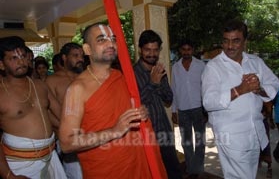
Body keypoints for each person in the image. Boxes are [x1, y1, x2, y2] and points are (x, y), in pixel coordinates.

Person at [58, 23, 161, 178]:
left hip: (133, 161)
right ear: (87, 49)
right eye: (101, 40)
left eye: (113, 39)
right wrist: (114, 131)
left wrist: (141, 112)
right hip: (105, 169)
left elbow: (126, 111)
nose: (110, 43)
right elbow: (66, 143)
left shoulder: (120, 76)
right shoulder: (77, 89)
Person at [201, 19, 279, 179]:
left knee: (249, 175)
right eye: (226, 41)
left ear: (245, 41)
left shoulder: (255, 62)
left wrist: (259, 89)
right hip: (231, 136)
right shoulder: (213, 67)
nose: (230, 46)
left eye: (235, 41)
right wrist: (240, 89)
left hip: (255, 132)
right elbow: (208, 102)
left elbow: (274, 84)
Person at [0, 36, 66, 179]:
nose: (21, 61)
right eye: (13, 58)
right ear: (1, 65)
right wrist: (8, 175)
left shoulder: (40, 85)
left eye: (23, 56)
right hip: (20, 165)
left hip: (51, 157)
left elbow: (62, 115)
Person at [134, 30, 182, 179]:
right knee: (153, 173)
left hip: (164, 130)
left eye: (155, 50)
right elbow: (134, 105)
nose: (152, 54)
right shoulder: (131, 74)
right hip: (145, 135)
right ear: (140, 49)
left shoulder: (160, 70)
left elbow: (168, 98)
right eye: (148, 50)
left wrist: (159, 81)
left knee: (173, 171)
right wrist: (152, 83)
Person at [46, 42, 84, 179]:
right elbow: (48, 113)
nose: (80, 59)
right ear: (64, 58)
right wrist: (67, 131)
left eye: (81, 56)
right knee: (76, 175)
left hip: (90, 135)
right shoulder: (52, 81)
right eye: (75, 55)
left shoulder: (86, 78)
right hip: (68, 137)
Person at [171, 41, 206, 178]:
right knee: (186, 141)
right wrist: (174, 110)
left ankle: (198, 169)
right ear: (180, 50)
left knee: (200, 141)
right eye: (184, 49)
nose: (186, 52)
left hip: (198, 108)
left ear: (193, 50)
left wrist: (205, 109)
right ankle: (192, 170)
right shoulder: (176, 67)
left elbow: (206, 87)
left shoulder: (201, 65)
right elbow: (174, 89)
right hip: (183, 109)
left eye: (189, 49)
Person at [259, 101, 275, 178]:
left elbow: (269, 109)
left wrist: (271, 120)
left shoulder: (264, 96)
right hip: (251, 124)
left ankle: (269, 167)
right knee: (255, 145)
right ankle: (258, 162)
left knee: (266, 145)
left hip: (263, 123)